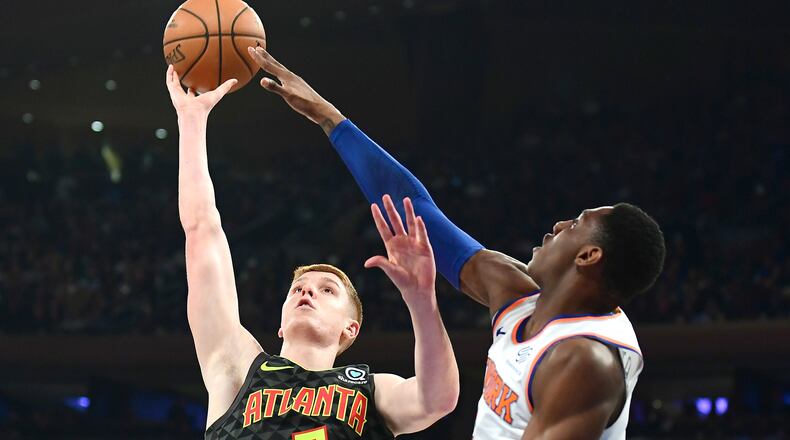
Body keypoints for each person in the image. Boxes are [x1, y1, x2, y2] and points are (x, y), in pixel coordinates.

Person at [247, 46, 667, 439]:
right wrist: (329, 118)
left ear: (589, 256)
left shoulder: (585, 363)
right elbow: (418, 213)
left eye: (576, 224)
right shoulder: (517, 292)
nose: (559, 225)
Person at [164, 64, 459, 440]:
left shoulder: (370, 389)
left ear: (350, 329)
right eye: (298, 288)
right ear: (281, 323)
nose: (306, 291)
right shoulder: (237, 368)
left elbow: (438, 399)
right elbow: (202, 231)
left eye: (327, 290)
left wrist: (422, 300)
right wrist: (191, 123)